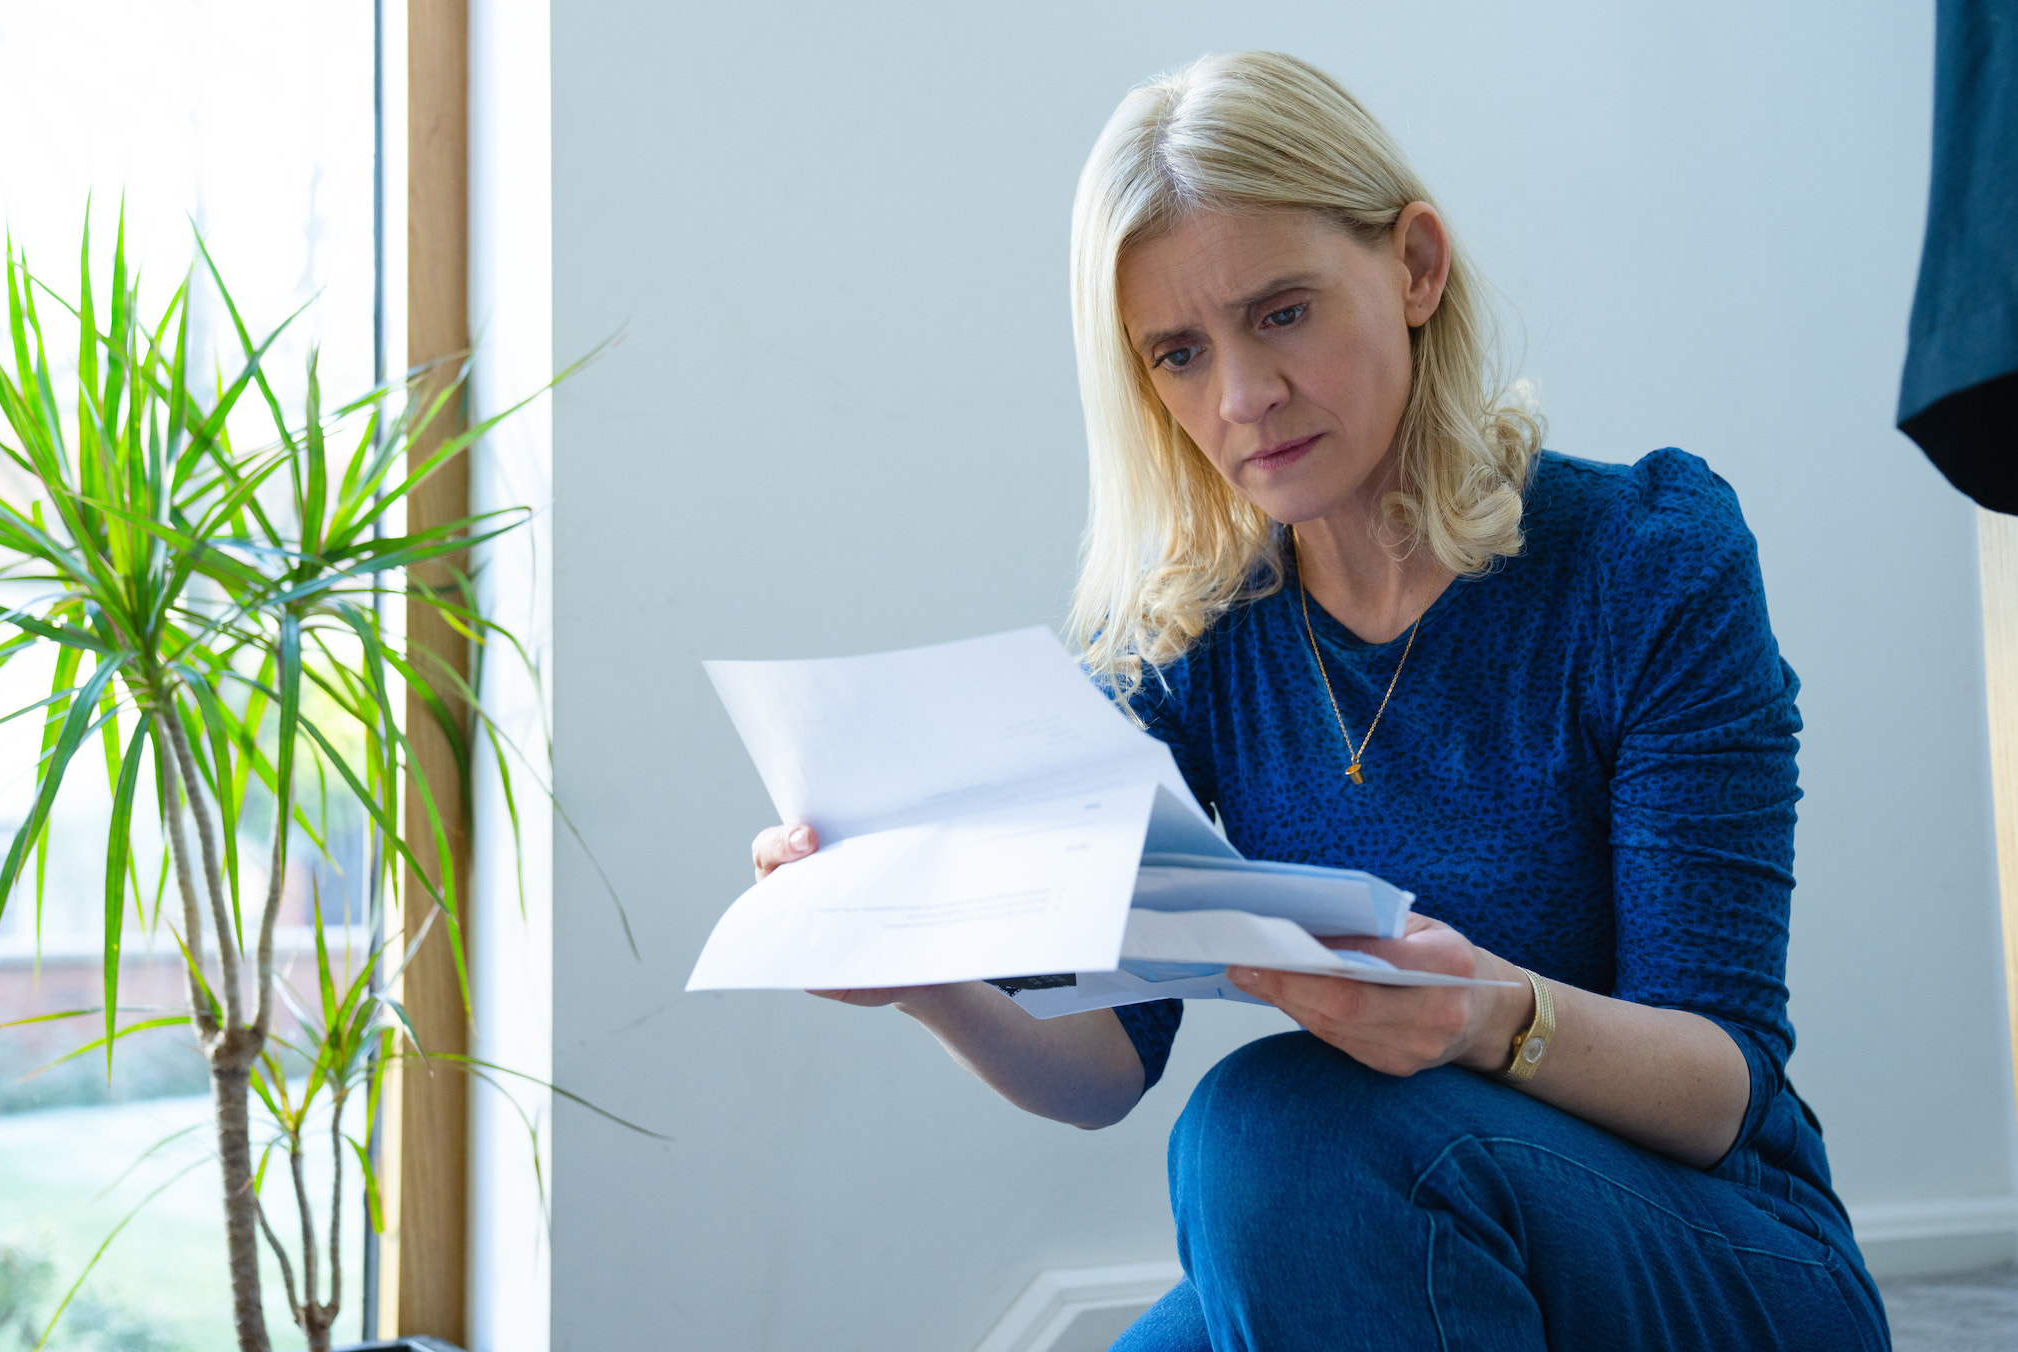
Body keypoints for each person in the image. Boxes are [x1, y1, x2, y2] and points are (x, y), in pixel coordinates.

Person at [751, 51, 1889, 1351]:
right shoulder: (1193, 637)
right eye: (1179, 353)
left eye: (1282, 313)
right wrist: (924, 973)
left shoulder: (1644, 560)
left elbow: (1720, 1086)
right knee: (1271, 1169)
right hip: (1378, 1222)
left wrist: (1486, 1014)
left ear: (1414, 266)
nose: (1241, 397)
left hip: (1706, 1249)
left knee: (1268, 1126)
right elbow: (1103, 1071)